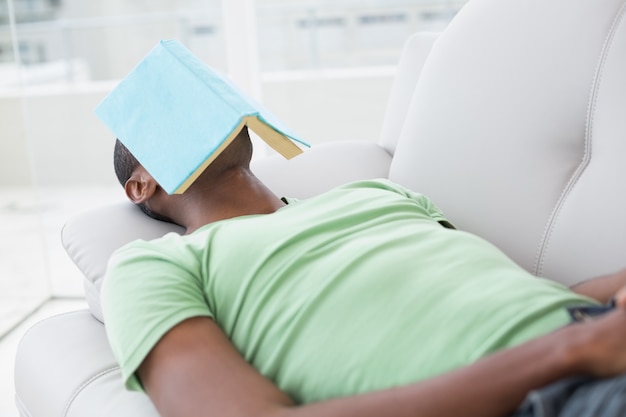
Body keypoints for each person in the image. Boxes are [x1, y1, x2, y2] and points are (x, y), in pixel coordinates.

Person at [103, 128, 626, 417]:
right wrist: (571, 351)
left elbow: (524, 296)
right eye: (167, 115)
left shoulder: (374, 191)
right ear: (140, 186)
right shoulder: (151, 267)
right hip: (551, 395)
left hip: (596, 335)